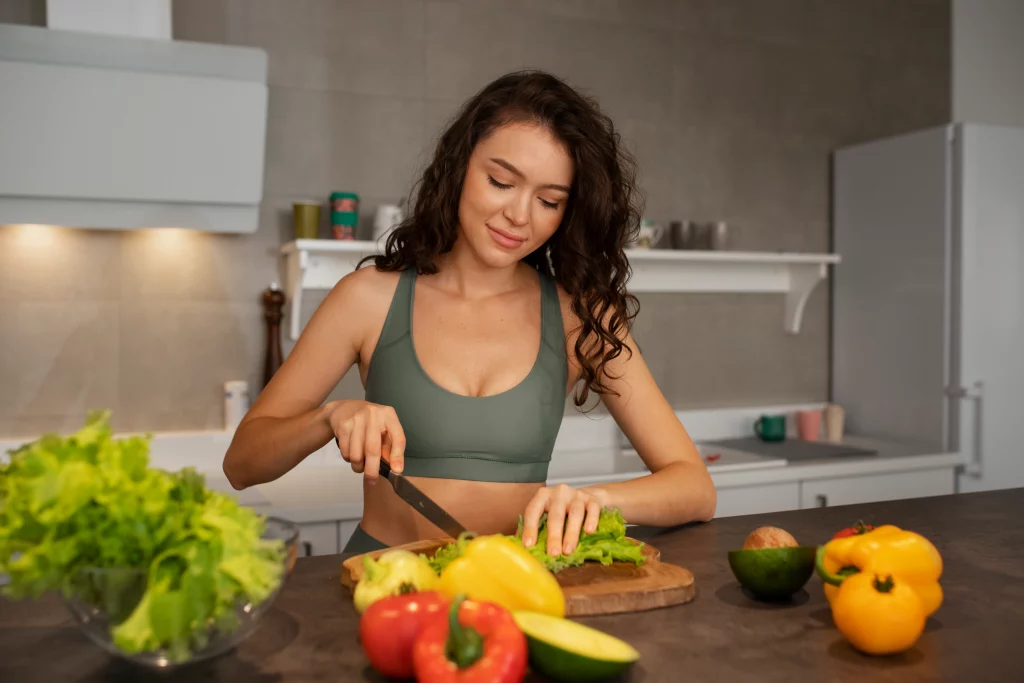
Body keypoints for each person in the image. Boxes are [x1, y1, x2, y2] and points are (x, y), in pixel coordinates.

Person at [224, 70, 717, 556]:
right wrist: (330, 416)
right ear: (460, 168)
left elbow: (696, 488)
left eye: (549, 200)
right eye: (502, 181)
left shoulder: (581, 316)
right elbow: (242, 463)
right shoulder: (367, 298)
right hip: (384, 591)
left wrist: (595, 500)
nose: (520, 216)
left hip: (514, 593)